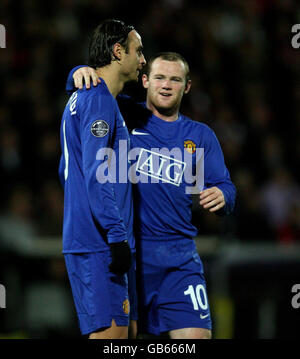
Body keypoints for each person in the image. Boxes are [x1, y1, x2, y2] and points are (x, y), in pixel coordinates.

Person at [66, 52, 236, 339]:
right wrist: (77, 71)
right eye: (159, 77)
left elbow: (226, 185)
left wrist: (223, 195)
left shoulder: (200, 135)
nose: (166, 85)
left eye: (175, 79)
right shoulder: (123, 114)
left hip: (179, 261)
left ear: (187, 86)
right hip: (130, 257)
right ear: (145, 80)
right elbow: (88, 93)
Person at [58, 19, 146, 339]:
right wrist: (115, 234)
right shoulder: (96, 98)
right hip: (101, 242)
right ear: (118, 51)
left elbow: (65, 167)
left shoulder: (93, 97)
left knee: (127, 334)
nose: (143, 60)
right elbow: (97, 174)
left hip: (100, 238)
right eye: (138, 51)